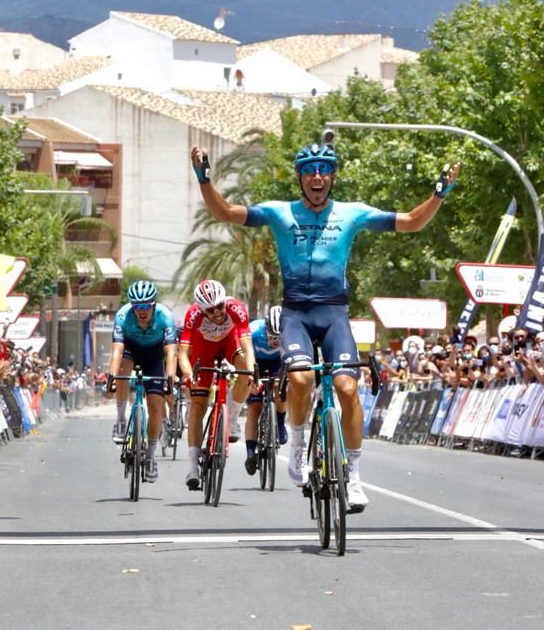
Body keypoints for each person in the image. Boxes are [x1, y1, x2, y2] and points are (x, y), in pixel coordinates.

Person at [191, 138, 460, 512]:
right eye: (309, 171)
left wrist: (440, 192)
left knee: (348, 388)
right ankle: (298, 443)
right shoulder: (279, 212)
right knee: (300, 378)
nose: (317, 177)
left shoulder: (353, 213)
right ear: (300, 178)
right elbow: (224, 212)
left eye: (324, 171)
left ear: (332, 176)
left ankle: (353, 478)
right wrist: (204, 178)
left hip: (334, 313)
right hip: (296, 314)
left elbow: (413, 222)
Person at [176, 279, 255, 490]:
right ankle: (193, 466)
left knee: (245, 370)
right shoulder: (193, 314)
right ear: (201, 309)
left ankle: (233, 416)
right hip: (204, 349)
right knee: (198, 406)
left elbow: (247, 346)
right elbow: (182, 353)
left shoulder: (236, 308)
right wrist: (188, 374)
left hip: (230, 342)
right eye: (211, 310)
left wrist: (252, 369)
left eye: (220, 306)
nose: (218, 313)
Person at [107, 280, 178, 483]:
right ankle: (121, 421)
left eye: (146, 305)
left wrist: (170, 381)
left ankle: (150, 457)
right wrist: (111, 377)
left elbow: (171, 353)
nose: (141, 310)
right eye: (137, 306)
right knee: (122, 368)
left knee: (156, 406)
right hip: (130, 351)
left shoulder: (165, 317)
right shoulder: (123, 316)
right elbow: (117, 351)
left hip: (154, 357)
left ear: (153, 304)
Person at [243, 305, 289, 475]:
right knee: (253, 409)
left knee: (280, 386)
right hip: (257, 363)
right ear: (265, 328)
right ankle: (250, 454)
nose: (274, 341)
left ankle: (281, 423)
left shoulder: (290, 333)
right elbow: (245, 353)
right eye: (271, 336)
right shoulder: (254, 330)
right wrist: (251, 377)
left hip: (278, 363)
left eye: (278, 338)